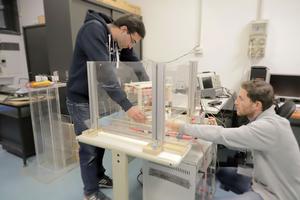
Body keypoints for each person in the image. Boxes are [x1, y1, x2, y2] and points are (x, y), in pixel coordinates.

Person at [167, 80, 300, 200]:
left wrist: (180, 127)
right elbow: (240, 141)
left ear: (257, 105)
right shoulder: (271, 120)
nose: (236, 102)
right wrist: (214, 130)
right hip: (262, 181)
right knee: (221, 172)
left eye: (241, 99)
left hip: (275, 194)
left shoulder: (267, 127)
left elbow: (221, 135)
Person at [66, 10, 149, 200]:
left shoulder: (117, 38)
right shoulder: (93, 31)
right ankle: (91, 192)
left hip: (98, 98)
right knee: (88, 147)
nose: (131, 46)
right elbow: (106, 75)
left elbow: (135, 62)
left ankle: (99, 175)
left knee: (101, 142)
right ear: (124, 29)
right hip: (81, 99)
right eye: (133, 41)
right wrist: (128, 106)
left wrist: (148, 85)